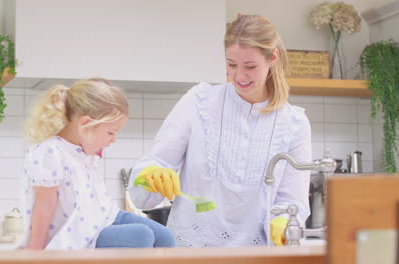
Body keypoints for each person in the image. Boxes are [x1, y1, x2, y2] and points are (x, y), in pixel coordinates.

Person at [128, 15, 311, 247]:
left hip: (256, 256)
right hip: (190, 252)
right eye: (231, 64)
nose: (239, 76)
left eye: (250, 66)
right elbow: (154, 166)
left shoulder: (294, 123)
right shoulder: (200, 101)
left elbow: (293, 200)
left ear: (272, 58)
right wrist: (149, 175)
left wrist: (284, 222)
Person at [19, 78, 175, 250]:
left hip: (104, 217)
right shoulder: (49, 152)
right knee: (141, 236)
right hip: (77, 234)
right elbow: (44, 205)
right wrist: (36, 250)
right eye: (110, 132)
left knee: (164, 236)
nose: (113, 140)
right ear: (85, 123)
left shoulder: (86, 149)